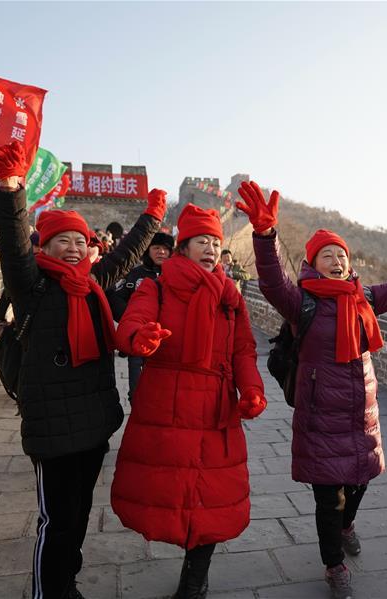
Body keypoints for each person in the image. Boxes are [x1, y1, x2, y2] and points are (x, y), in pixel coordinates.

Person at [236, 179, 387, 599]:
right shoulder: (302, 302)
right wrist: (265, 237)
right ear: (312, 264)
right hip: (320, 415)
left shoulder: (364, 298)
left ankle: (348, 525)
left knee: (360, 481)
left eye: (341, 254)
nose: (336, 260)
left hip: (361, 413)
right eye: (327, 255)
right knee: (328, 498)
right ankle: (333, 564)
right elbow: (271, 283)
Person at [0, 141, 165, 599]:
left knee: (81, 513)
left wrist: (152, 218)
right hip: (52, 429)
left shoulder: (91, 285)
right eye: (61, 241)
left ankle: (65, 582)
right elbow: (11, 243)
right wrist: (10, 189)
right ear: (43, 246)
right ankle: (48, 591)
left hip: (92, 424)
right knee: (57, 520)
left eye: (80, 241)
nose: (72, 248)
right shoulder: (32, 287)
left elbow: (125, 256)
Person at [111, 203, 267, 599]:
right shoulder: (158, 286)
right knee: (170, 494)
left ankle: (194, 582)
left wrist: (251, 390)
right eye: (202, 241)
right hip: (167, 401)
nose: (211, 248)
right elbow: (133, 321)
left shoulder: (230, 297)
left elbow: (244, 351)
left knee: (211, 497)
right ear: (184, 247)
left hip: (216, 407)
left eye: (216, 241)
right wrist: (139, 338)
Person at [108, 231, 175, 401]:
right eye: (156, 248)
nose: (161, 252)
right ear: (148, 250)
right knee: (138, 393)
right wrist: (132, 319)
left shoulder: (177, 275)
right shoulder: (135, 274)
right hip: (139, 341)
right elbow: (114, 297)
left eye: (166, 249)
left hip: (169, 341)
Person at [0, 231, 40, 339]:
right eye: (37, 246)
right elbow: (8, 294)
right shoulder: (24, 268)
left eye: (42, 246)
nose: (40, 249)